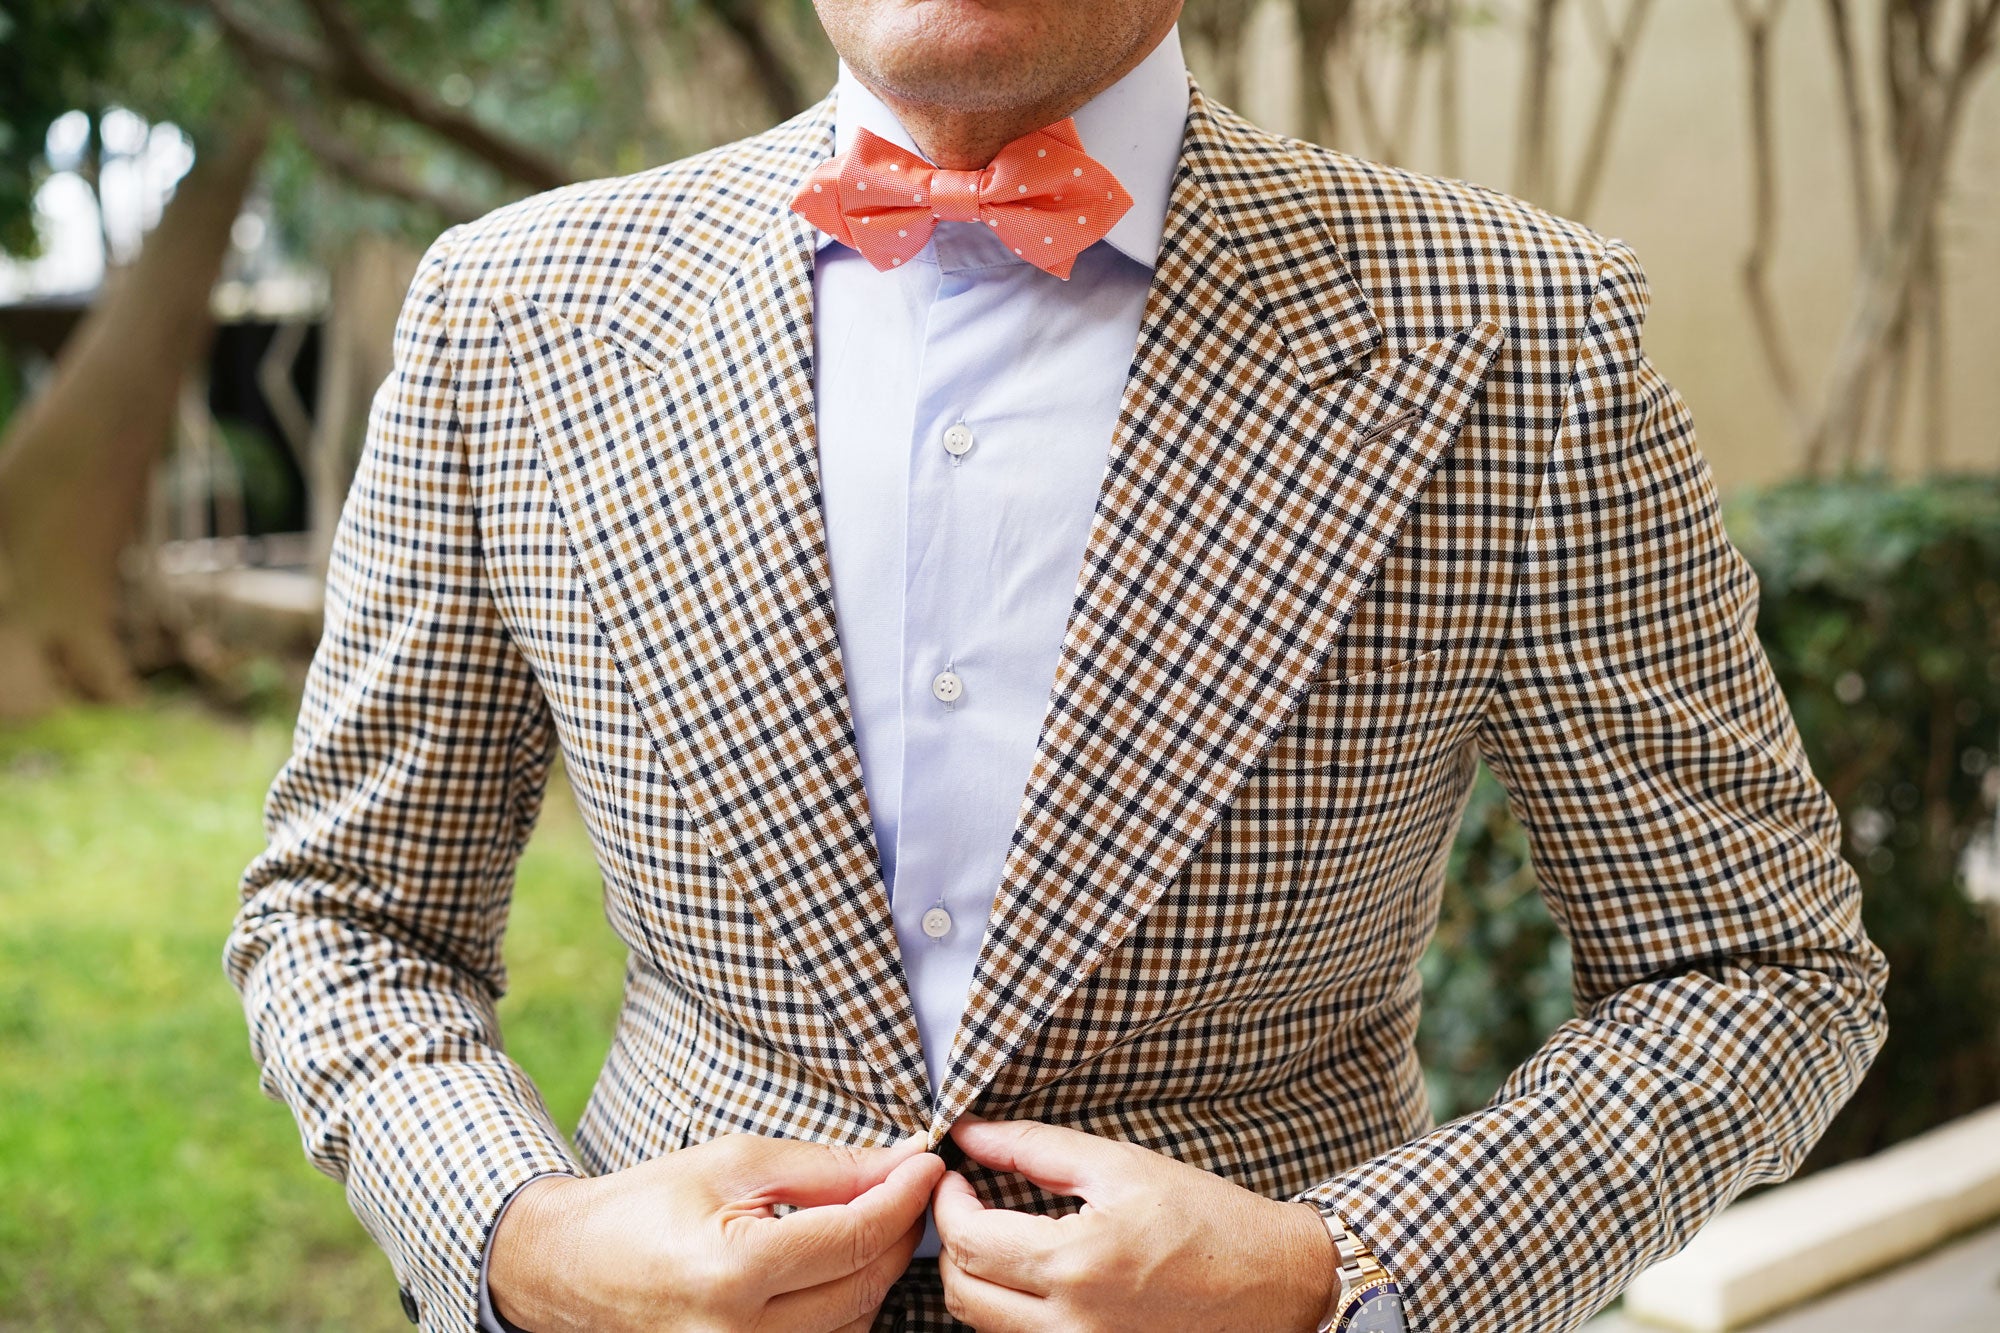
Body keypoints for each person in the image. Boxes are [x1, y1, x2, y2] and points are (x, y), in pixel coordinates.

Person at [224, 2, 1889, 1330]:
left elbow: (1758, 970)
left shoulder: (1518, 331)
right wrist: (524, 1239)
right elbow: (348, 919)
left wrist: (1344, 1272)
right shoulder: (512, 314)